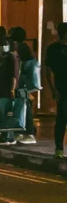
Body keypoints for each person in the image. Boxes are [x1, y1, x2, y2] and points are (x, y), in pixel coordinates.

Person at [43, 21, 67, 159]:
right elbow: (48, 70)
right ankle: (59, 148)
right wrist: (53, 90)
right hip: (62, 88)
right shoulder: (53, 48)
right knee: (62, 117)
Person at [0, 36, 20, 146]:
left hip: (8, 90)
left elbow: (13, 76)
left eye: (5, 44)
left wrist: (12, 90)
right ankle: (4, 136)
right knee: (1, 114)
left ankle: (8, 137)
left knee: (7, 113)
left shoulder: (11, 58)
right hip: (0, 89)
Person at [16, 42, 40, 145]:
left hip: (25, 90)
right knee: (22, 111)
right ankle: (23, 132)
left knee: (27, 112)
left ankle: (30, 134)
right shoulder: (25, 62)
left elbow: (32, 78)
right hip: (22, 89)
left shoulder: (30, 63)